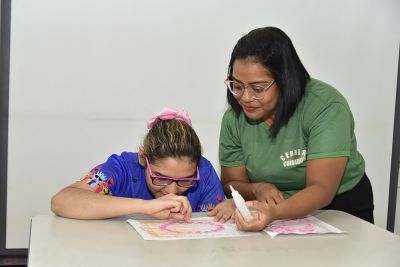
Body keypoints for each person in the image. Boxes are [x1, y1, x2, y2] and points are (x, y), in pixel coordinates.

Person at [210, 26, 374, 231]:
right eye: (237, 85)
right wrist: (258, 188)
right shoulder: (234, 118)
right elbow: (232, 183)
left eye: (258, 88)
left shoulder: (325, 106)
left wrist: (276, 213)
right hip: (268, 212)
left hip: (338, 208)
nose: (245, 97)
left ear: (286, 80)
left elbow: (322, 188)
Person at [51, 107, 225, 220]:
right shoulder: (122, 169)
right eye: (161, 178)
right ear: (143, 158)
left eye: (185, 180)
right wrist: (145, 207)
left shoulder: (204, 172)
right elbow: (61, 201)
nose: (172, 191)